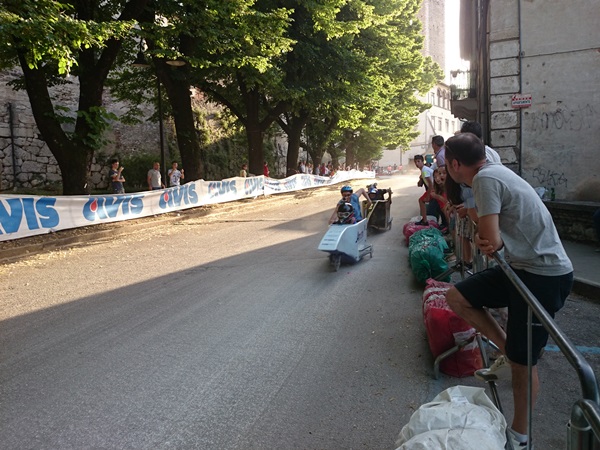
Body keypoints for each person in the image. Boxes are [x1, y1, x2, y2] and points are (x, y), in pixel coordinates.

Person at [443, 133, 573, 448]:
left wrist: (487, 237)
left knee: (523, 363)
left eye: (446, 163)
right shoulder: (493, 171)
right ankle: (506, 348)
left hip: (544, 275)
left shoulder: (485, 180)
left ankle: (520, 435)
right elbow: (490, 239)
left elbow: (491, 242)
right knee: (457, 297)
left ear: (456, 164)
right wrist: (488, 238)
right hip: (522, 269)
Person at [414, 154, 434, 226]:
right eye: (415, 162)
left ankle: (425, 220)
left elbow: (430, 184)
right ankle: (424, 219)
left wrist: (428, 195)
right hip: (433, 189)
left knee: (421, 200)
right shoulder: (423, 170)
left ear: (423, 161)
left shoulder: (425, 170)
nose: (417, 164)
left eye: (419, 161)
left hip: (434, 190)